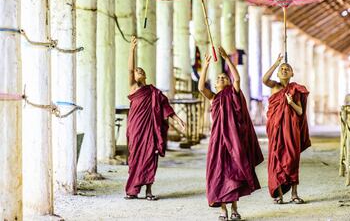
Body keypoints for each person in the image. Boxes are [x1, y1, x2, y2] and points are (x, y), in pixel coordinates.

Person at [198, 46, 264, 221]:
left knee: (235, 171)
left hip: (234, 139)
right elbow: (200, 87)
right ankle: (223, 210)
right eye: (219, 78)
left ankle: (234, 207)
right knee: (219, 172)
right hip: (218, 139)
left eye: (224, 77)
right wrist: (205, 66)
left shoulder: (232, 93)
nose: (221, 78)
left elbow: (237, 78)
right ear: (215, 84)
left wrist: (227, 58)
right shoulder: (214, 97)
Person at [125, 36, 186, 200]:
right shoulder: (134, 87)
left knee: (151, 158)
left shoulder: (154, 92)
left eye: (141, 70)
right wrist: (132, 50)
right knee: (136, 158)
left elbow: (165, 108)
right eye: (137, 71)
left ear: (145, 75)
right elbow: (130, 70)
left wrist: (178, 119)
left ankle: (149, 191)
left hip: (151, 130)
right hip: (136, 128)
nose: (138, 71)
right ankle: (132, 190)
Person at [262, 53, 311, 205]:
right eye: (282, 68)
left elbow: (300, 111)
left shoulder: (296, 89)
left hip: (291, 129)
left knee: (292, 159)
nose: (284, 70)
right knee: (276, 158)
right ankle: (278, 194)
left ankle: (294, 194)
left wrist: (291, 103)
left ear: (292, 73)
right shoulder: (275, 86)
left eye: (287, 68)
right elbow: (264, 80)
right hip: (276, 129)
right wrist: (276, 62)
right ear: (278, 73)